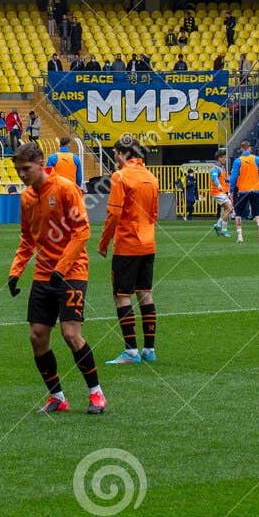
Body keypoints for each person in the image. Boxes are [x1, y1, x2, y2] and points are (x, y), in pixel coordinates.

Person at [8, 143, 105, 414]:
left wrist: (61, 269)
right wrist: (16, 272)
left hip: (72, 271)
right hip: (43, 274)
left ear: (40, 163)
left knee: (70, 333)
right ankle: (57, 398)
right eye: (18, 170)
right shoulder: (26, 198)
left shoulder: (65, 188)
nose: (22, 175)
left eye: (26, 169)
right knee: (37, 336)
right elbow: (28, 239)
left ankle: (96, 394)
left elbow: (82, 232)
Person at [98, 136, 159, 365]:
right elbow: (153, 214)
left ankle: (131, 351)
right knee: (145, 293)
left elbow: (114, 213)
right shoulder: (152, 177)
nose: (115, 159)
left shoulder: (120, 176)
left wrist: (104, 243)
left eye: (115, 154)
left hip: (127, 244)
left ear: (122, 154)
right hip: (148, 242)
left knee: (122, 296)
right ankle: (149, 350)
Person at [226, 140, 259, 242]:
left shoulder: (237, 161)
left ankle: (240, 236)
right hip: (256, 189)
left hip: (243, 190)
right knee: (257, 213)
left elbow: (234, 177)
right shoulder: (257, 159)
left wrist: (231, 190)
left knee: (238, 214)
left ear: (241, 149)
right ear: (250, 148)